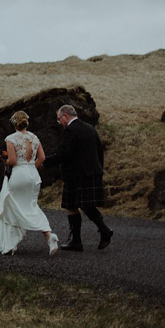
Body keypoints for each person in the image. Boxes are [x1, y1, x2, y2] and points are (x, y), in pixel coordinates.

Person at [42, 104, 113, 251]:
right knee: (83, 205)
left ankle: (81, 239)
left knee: (72, 206)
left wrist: (45, 163)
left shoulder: (70, 130)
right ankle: (88, 236)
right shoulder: (89, 128)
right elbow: (100, 151)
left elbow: (64, 153)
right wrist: (98, 169)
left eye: (59, 119)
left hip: (76, 175)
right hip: (92, 172)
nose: (59, 122)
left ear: (66, 116)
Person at [0, 111, 59, 256]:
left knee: (11, 207)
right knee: (31, 206)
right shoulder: (34, 137)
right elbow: (42, 157)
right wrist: (32, 167)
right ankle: (48, 234)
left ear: (14, 123)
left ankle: (10, 245)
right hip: (34, 176)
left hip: (19, 175)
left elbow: (13, 161)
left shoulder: (11, 138)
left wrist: (2, 159)